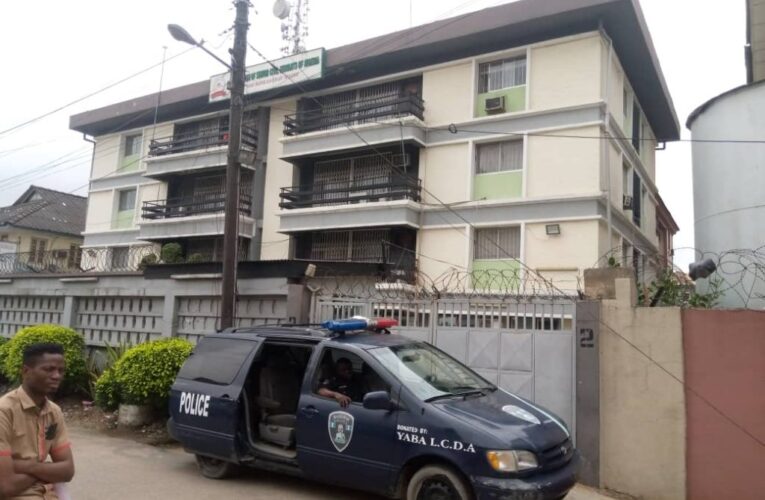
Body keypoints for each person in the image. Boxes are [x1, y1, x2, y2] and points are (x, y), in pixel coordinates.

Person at [0, 343, 75, 499]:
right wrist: (46, 470)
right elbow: (6, 487)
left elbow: (68, 471)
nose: (56, 376)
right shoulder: (4, 412)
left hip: (48, 494)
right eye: (49, 369)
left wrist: (27, 466)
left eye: (61, 370)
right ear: (26, 371)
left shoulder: (53, 412)